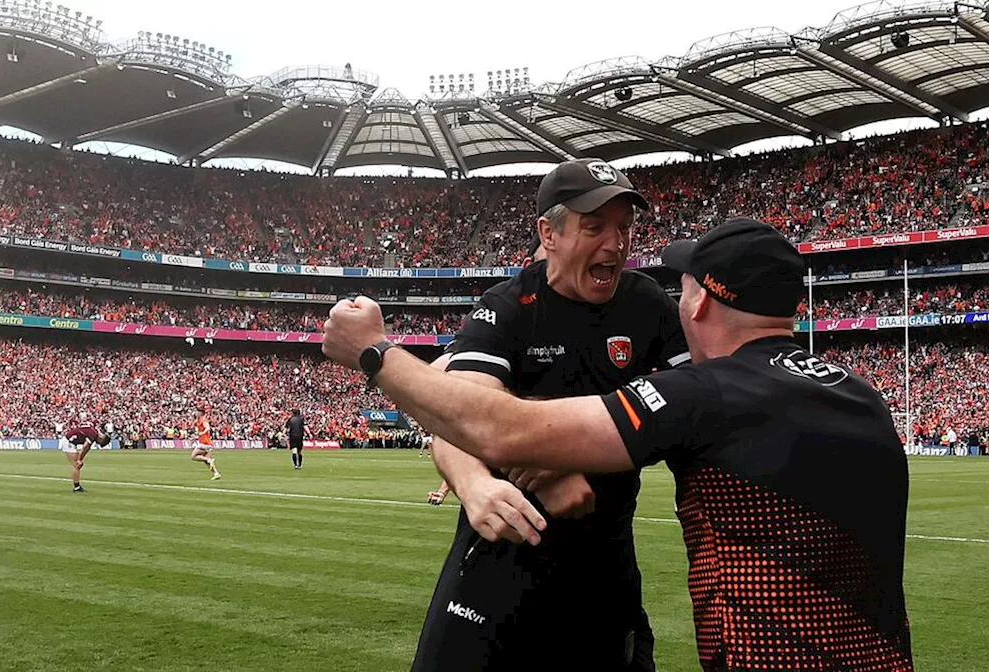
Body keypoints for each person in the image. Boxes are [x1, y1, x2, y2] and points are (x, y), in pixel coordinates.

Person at [323, 218, 915, 672]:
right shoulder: (861, 394)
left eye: (681, 287)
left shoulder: (701, 396)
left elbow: (499, 427)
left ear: (701, 302)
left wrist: (374, 354)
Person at [396, 158, 688, 672]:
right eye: (595, 227)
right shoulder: (508, 307)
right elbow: (458, 413)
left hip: (604, 561)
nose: (616, 245)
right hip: (499, 555)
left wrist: (546, 441)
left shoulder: (650, 306)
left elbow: (695, 408)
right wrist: (473, 485)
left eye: (625, 228)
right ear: (548, 234)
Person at [62, 422, 110, 493]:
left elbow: (87, 449)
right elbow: (85, 447)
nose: (97, 443)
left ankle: (77, 486)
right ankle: (76, 487)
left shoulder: (94, 433)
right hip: (68, 442)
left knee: (78, 465)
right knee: (76, 465)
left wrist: (80, 459)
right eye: (99, 442)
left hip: (72, 442)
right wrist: (79, 460)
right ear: (101, 438)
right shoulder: (93, 434)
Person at [192, 408, 222, 480]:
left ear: (200, 413)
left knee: (193, 456)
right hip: (208, 444)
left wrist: (202, 433)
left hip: (205, 443)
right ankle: (216, 473)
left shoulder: (204, 421)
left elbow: (207, 428)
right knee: (206, 461)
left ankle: (209, 460)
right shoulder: (198, 421)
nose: (195, 413)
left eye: (197, 412)